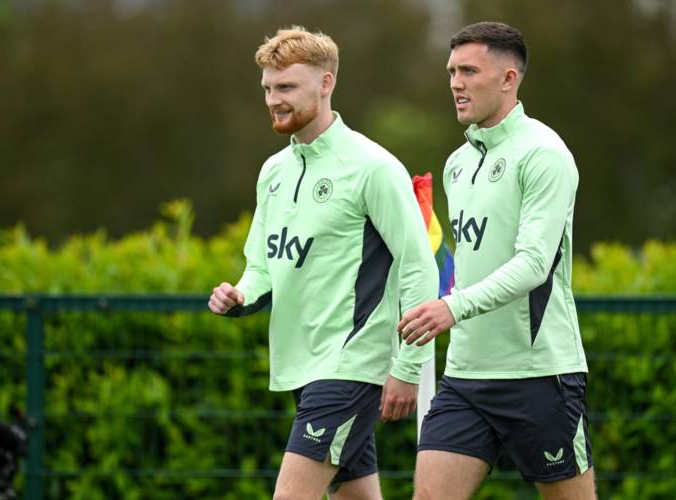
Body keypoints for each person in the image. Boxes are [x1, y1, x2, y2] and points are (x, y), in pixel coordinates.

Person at [208, 26, 438, 500]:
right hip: (300, 366)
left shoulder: (373, 166)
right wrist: (239, 294)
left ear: (326, 83)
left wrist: (409, 365)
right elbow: (262, 266)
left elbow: (419, 267)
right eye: (268, 88)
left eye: (286, 87)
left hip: (350, 365)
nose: (274, 100)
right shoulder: (273, 171)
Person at [398, 21, 596, 500]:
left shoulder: (544, 154)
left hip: (539, 374)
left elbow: (533, 265)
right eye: (451, 72)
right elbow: (468, 265)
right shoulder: (456, 164)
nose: (455, 83)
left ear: (509, 79)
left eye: (469, 71)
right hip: (465, 377)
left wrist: (453, 307)